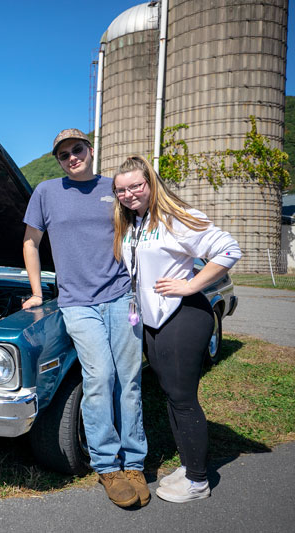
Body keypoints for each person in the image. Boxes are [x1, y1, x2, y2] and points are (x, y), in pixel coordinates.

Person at [22, 129, 148, 508]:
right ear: (58, 160)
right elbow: (30, 242)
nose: (72, 157)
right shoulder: (46, 191)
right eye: (64, 154)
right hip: (77, 303)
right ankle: (108, 466)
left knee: (130, 380)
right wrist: (37, 292)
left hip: (121, 297)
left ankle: (136, 463)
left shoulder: (117, 189)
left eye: (77, 149)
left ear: (90, 151)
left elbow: (148, 225)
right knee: (100, 377)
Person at [112, 155, 241, 503]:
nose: (129, 194)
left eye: (136, 185)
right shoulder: (135, 222)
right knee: (171, 394)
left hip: (183, 315)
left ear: (151, 183)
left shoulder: (174, 217)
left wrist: (190, 284)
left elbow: (228, 248)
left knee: (183, 399)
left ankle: (198, 481)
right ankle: (189, 466)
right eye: (121, 189)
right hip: (152, 321)